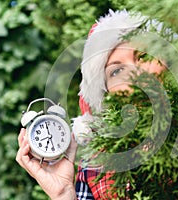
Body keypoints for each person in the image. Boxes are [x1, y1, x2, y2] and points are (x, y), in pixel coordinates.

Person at [16, 9, 166, 200]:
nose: (134, 73)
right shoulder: (97, 167)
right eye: (117, 70)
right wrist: (63, 194)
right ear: (107, 93)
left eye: (143, 56)